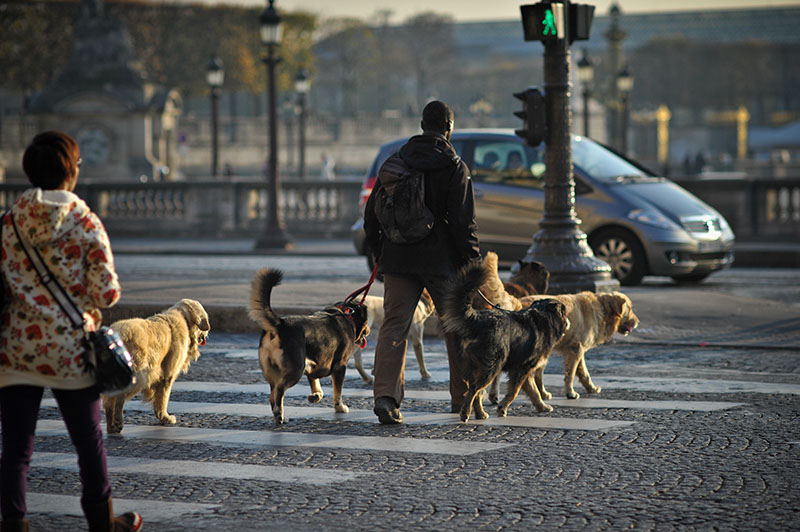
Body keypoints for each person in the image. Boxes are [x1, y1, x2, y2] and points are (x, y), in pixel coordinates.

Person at [0, 131, 142, 531]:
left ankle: (14, 522)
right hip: (71, 350)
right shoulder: (84, 222)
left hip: (16, 348)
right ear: (70, 172)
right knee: (87, 443)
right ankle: (102, 521)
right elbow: (107, 292)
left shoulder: (9, 222)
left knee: (16, 450)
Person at [364, 100, 481, 424]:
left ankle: (386, 396)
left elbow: (372, 212)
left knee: (395, 326)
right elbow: (463, 223)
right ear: (449, 129)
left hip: (399, 257)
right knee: (455, 327)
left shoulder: (397, 160)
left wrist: (379, 250)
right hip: (441, 262)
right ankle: (463, 397)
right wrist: (472, 265)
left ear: (421, 124)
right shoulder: (454, 166)